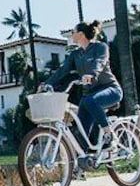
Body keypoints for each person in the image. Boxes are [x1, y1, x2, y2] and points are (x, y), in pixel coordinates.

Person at [40, 20, 123, 149]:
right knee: (81, 132)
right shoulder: (75, 54)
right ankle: (81, 164)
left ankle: (109, 134)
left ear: (81, 34)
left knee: (90, 101)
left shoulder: (100, 47)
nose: (72, 34)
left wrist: (91, 75)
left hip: (110, 89)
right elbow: (63, 70)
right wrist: (47, 83)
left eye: (73, 32)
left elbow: (99, 62)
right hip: (89, 95)